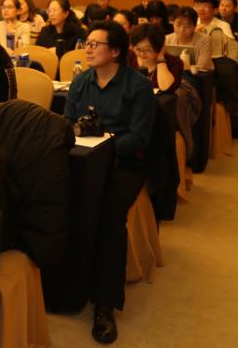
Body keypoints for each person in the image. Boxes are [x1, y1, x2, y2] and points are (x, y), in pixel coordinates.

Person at [64, 20, 155, 344]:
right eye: (86, 43)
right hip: (81, 161)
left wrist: (105, 148)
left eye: (95, 44)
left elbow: (139, 137)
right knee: (52, 200)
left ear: (115, 51)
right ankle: (66, 286)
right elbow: (67, 123)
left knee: (109, 215)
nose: (87, 49)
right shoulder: (81, 82)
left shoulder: (137, 86)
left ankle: (105, 303)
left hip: (122, 164)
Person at [130, 23, 182, 93]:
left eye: (147, 49)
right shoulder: (128, 57)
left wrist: (160, 57)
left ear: (159, 46)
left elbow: (165, 87)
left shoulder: (174, 63)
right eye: (138, 49)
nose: (142, 54)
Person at [165, 6, 212, 71]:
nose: (182, 29)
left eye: (187, 26)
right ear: (173, 23)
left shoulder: (204, 40)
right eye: (178, 25)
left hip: (198, 75)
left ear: (194, 26)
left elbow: (203, 65)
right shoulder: (167, 39)